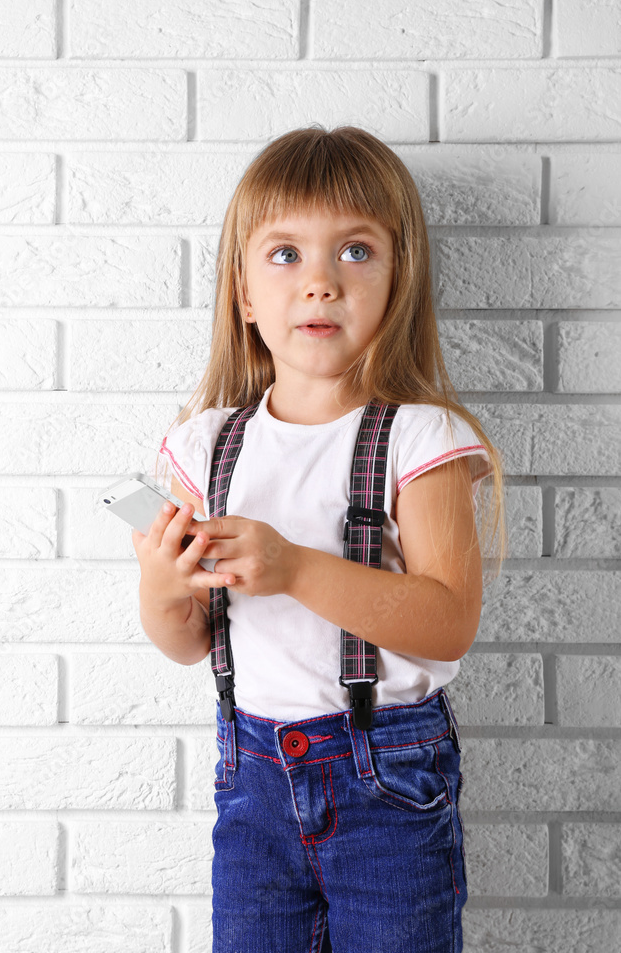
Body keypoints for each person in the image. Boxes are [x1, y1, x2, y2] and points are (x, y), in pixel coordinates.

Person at [133, 125, 508, 953]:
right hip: (252, 780)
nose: (320, 285)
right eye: (284, 256)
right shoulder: (205, 446)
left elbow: (447, 622)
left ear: (398, 278)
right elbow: (187, 643)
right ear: (241, 291)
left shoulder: (419, 438)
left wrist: (295, 567)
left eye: (355, 253)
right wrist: (164, 587)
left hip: (387, 786)